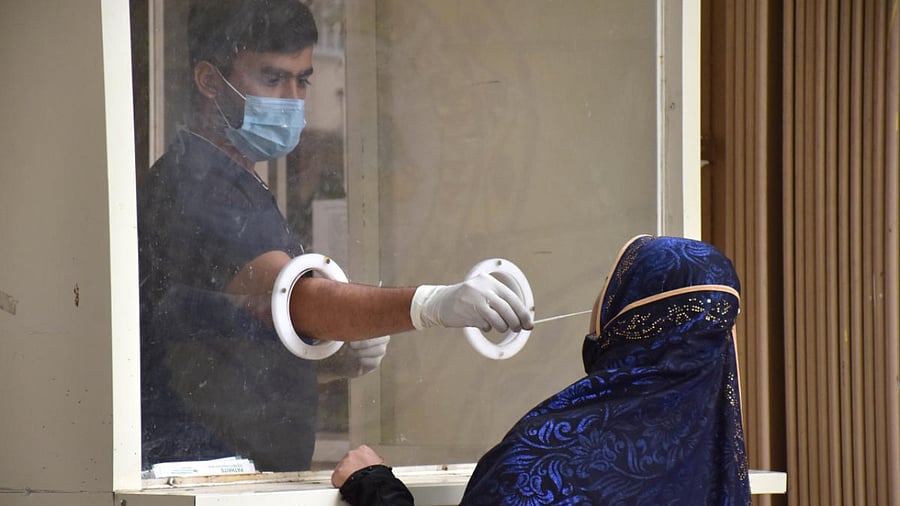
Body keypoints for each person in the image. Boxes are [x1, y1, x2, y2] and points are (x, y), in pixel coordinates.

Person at [137, 0, 532, 472]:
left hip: (238, 473)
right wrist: (430, 305)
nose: (291, 98)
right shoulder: (199, 185)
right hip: (199, 475)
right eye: (271, 79)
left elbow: (226, 347)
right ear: (208, 81)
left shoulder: (237, 180)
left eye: (302, 80)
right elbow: (289, 300)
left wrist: (322, 363)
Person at [331, 235, 752, 505]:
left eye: (609, 285)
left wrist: (373, 487)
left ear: (628, 317)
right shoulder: (714, 462)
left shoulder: (549, 456)